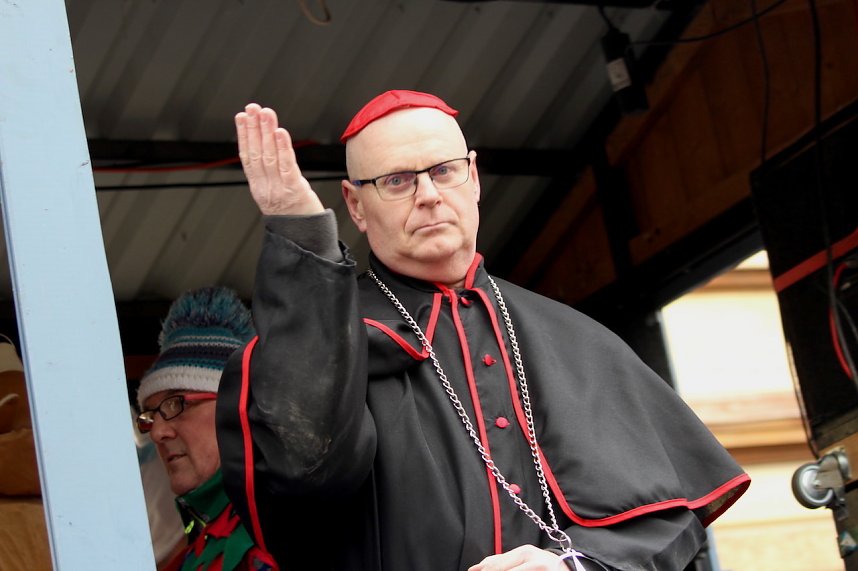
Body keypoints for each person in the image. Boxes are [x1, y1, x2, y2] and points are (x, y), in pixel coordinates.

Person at [216, 90, 750, 571]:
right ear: (355, 205)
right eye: (397, 181)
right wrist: (301, 234)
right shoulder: (320, 341)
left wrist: (576, 568)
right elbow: (305, 474)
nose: (427, 195)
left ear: (473, 178)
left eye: (444, 171)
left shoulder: (574, 337)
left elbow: (667, 519)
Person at [136, 286, 278, 571]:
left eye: (176, 404)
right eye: (150, 416)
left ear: (236, 408)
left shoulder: (291, 529)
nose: (156, 433)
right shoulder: (192, 552)